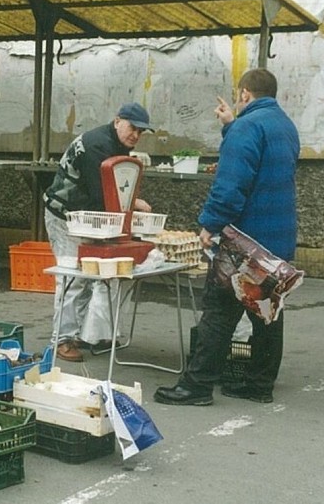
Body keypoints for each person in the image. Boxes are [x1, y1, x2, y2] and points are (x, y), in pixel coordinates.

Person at [154, 68, 299, 405]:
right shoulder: (285, 126)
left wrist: (210, 224)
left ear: (244, 93)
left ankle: (197, 386)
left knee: (219, 310)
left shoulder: (248, 127)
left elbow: (232, 184)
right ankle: (259, 384)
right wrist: (231, 125)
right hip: (276, 239)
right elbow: (262, 166)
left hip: (245, 241)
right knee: (267, 310)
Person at [44, 102, 154, 362]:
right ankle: (61, 339)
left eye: (141, 132)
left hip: (88, 218)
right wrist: (135, 204)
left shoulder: (114, 143)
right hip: (65, 216)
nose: (136, 136)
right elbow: (103, 194)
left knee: (88, 275)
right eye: (132, 128)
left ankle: (79, 333)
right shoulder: (97, 146)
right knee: (72, 277)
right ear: (117, 121)